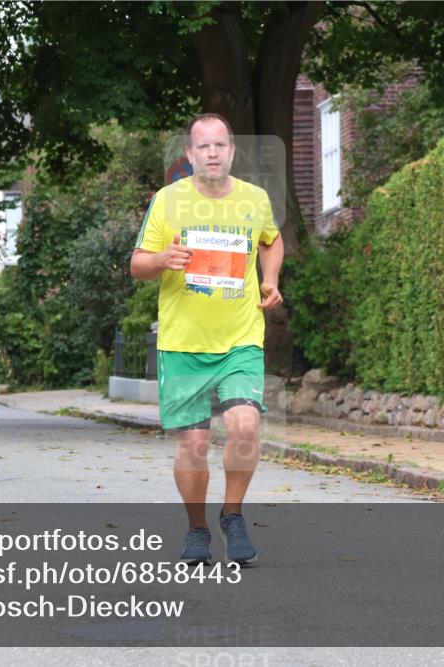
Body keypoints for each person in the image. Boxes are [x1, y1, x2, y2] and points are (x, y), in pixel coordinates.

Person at [130, 113, 284, 565]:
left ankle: (232, 515)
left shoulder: (254, 199)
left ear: (232, 152)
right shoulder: (167, 201)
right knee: (194, 444)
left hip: (240, 339)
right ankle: (197, 529)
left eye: (220, 145)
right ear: (190, 154)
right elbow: (137, 264)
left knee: (245, 427)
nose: (212, 153)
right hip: (183, 344)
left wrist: (270, 279)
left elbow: (271, 241)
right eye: (204, 146)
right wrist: (162, 258)